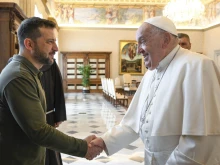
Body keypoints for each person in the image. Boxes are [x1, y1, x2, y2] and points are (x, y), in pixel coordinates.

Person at [90, 16, 220, 164]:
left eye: (142, 41)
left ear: (165, 40)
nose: (138, 50)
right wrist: (103, 142)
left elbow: (201, 140)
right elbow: (133, 123)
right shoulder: (151, 72)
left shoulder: (197, 66)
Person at [0, 17, 102, 165]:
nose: (56, 48)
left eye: (55, 41)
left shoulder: (27, 72)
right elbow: (39, 131)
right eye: (49, 42)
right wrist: (83, 147)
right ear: (29, 44)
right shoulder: (19, 77)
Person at [40, 60, 66, 165]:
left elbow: (58, 88)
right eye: (49, 42)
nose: (54, 48)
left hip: (48, 116)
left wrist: (58, 116)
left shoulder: (50, 64)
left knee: (50, 151)